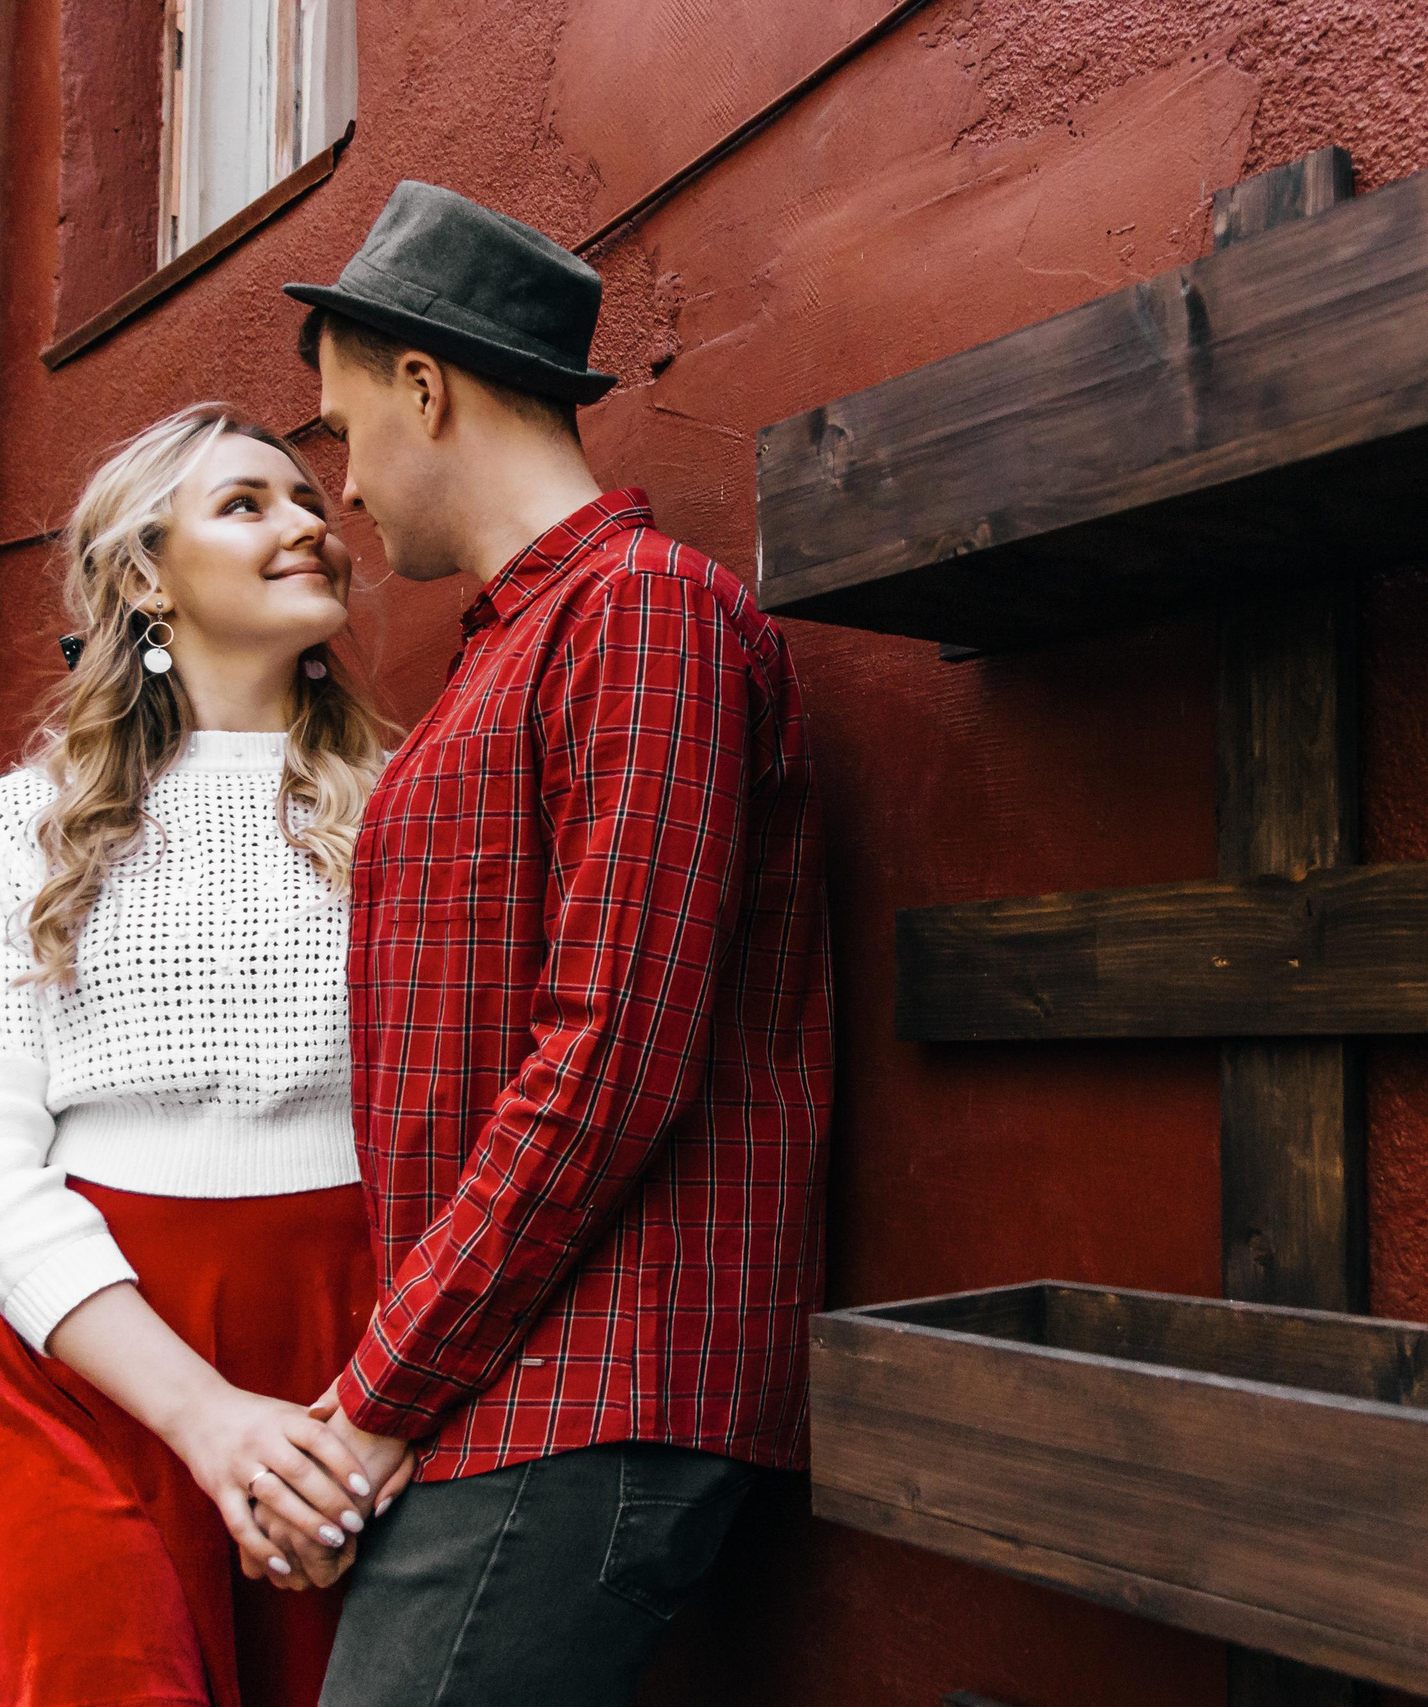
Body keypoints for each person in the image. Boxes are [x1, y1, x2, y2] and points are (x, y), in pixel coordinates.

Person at [272, 182, 834, 1706]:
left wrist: (382, 1392)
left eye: (337, 433)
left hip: (585, 1385)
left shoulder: (641, 611)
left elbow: (611, 1059)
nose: (344, 491)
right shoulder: (512, 646)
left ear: (423, 385)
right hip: (496, 1380)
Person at [0, 404, 413, 1707]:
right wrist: (204, 1416)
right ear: (146, 574)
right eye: (247, 504)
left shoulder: (414, 804)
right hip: (60, 1367)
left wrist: (389, 1409)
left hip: (339, 1357)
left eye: (307, 500)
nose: (308, 525)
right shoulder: (16, 828)